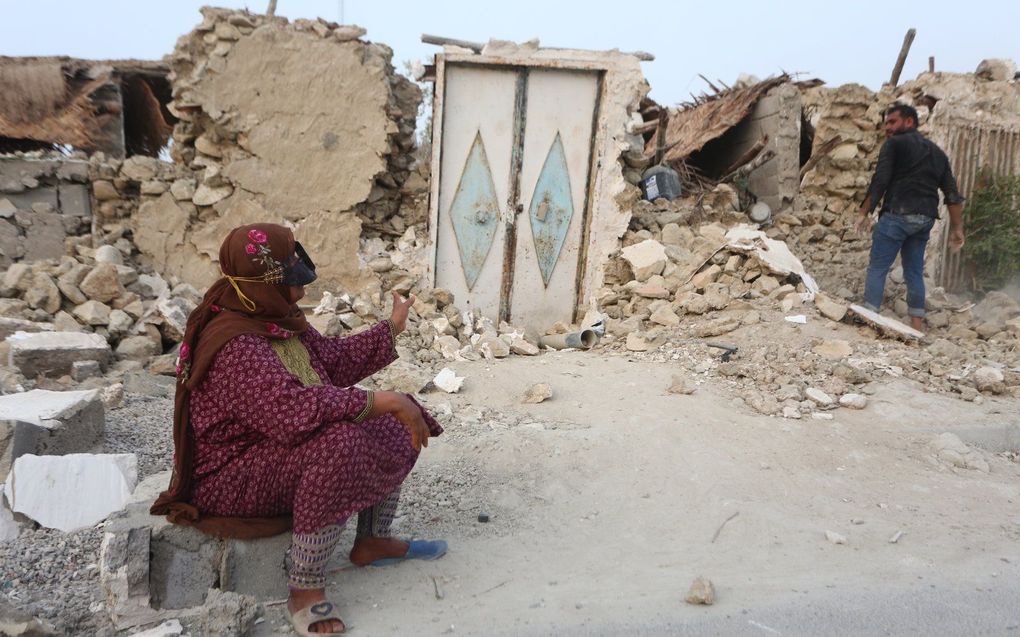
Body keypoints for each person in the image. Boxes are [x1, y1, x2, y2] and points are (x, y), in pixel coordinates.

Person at [150, 223, 445, 636]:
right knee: (338, 442)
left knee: (391, 420)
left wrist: (393, 327)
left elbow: (333, 363)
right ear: (261, 285)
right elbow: (290, 411)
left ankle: (373, 540)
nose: (302, 292)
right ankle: (304, 588)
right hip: (232, 475)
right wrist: (381, 399)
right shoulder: (235, 342)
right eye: (290, 283)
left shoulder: (275, 318)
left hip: (275, 450)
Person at [854, 103, 966, 332]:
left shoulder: (893, 144)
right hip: (924, 219)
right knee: (914, 271)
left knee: (878, 267)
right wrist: (957, 228)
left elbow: (880, 181)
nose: (888, 128)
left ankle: (870, 319)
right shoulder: (938, 153)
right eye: (886, 123)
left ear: (909, 122)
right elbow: (952, 194)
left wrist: (863, 213)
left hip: (897, 214)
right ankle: (916, 325)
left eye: (892, 122)